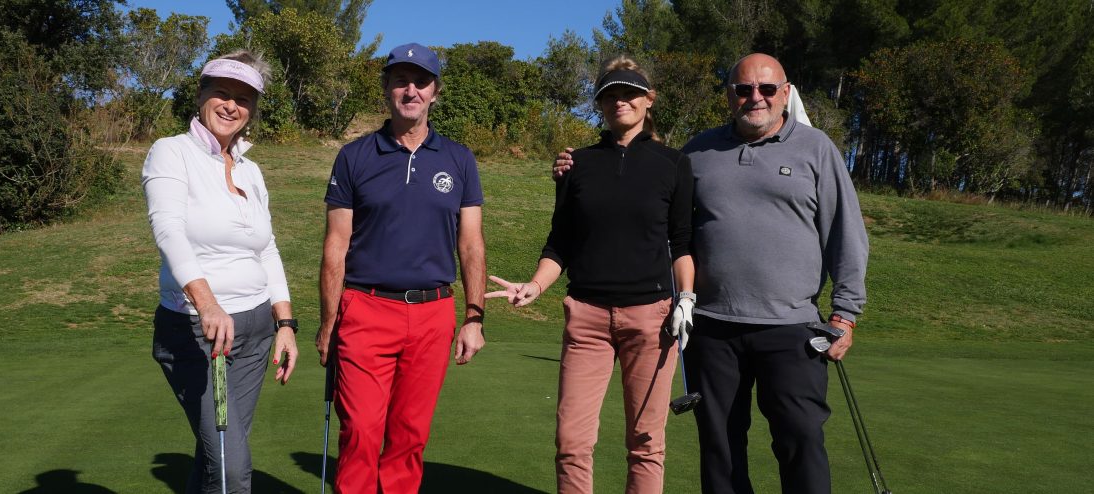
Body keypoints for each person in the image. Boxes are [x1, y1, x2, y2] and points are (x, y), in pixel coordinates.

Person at [554, 53, 869, 494]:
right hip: (712, 328)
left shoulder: (815, 148)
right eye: (743, 89)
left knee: (800, 440)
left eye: (766, 89)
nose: (754, 97)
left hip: (790, 326)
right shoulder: (698, 151)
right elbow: (657, 207)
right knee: (720, 449)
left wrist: (845, 314)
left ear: (785, 93)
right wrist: (574, 170)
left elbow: (846, 234)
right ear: (729, 97)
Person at [489, 56, 695, 494]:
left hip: (651, 318)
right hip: (586, 317)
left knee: (645, 442)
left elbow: (681, 243)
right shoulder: (575, 164)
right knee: (572, 442)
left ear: (648, 100)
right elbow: (560, 242)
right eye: (610, 95)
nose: (620, 101)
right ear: (599, 104)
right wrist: (536, 284)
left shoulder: (674, 164)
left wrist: (687, 298)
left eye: (629, 93)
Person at [315, 42, 487, 494]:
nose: (410, 90)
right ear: (387, 88)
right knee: (361, 434)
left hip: (433, 313)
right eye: (400, 80)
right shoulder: (355, 156)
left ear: (435, 91)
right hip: (366, 308)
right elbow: (336, 243)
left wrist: (474, 316)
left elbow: (470, 243)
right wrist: (328, 321)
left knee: (410, 437)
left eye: (421, 81)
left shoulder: (459, 159)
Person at [142, 49, 299, 493]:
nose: (232, 105)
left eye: (244, 98)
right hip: (199, 332)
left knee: (216, 456)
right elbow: (168, 232)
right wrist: (207, 303)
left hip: (254, 332)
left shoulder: (251, 170)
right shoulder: (171, 153)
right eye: (222, 93)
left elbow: (265, 249)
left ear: (252, 111)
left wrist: (284, 323)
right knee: (231, 467)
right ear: (201, 94)